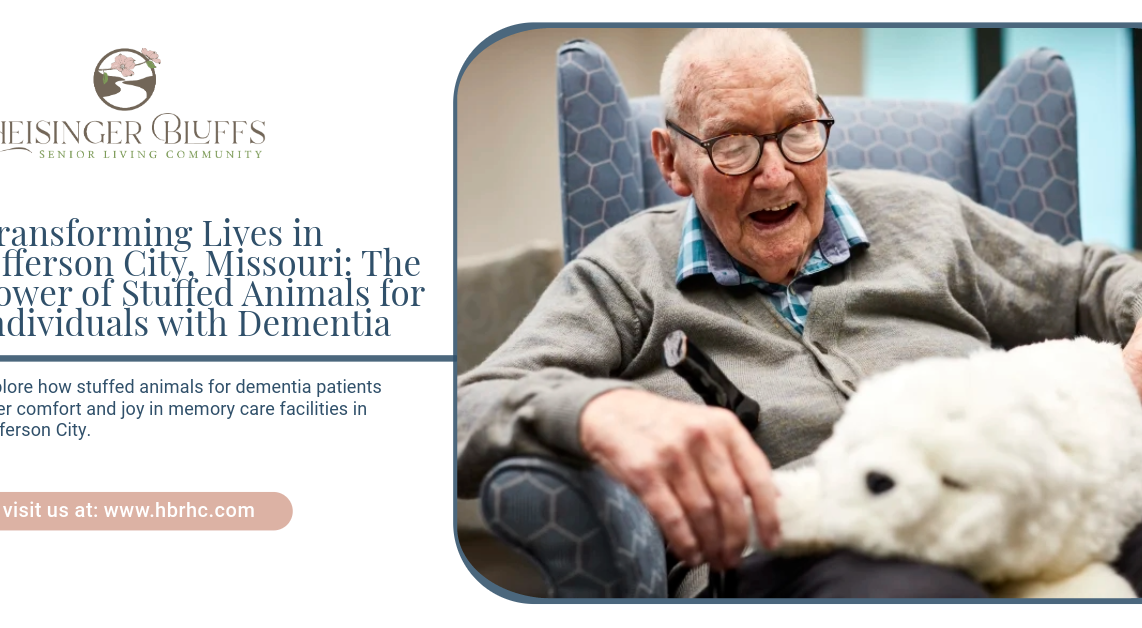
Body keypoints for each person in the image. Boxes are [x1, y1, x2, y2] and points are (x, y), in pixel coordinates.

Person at [456, 28, 1142, 597]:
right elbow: (466, 409)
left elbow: (1093, 280)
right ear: (671, 161)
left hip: (1008, 505)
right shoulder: (625, 270)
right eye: (733, 145)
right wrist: (597, 412)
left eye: (797, 132)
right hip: (801, 548)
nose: (777, 174)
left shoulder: (926, 215)